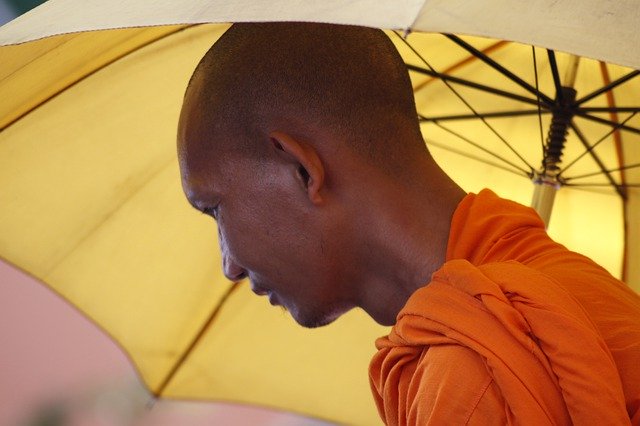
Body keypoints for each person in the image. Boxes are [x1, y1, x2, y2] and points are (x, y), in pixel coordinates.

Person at [177, 22, 640, 424]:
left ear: (301, 169)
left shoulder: (475, 374)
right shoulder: (559, 301)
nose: (229, 266)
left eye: (215, 209)